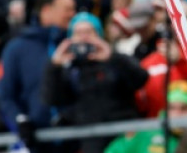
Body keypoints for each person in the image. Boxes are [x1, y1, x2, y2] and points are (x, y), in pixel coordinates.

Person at [44, 12, 148, 153]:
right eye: (78, 33)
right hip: (90, 141)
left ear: (99, 35)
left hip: (123, 138)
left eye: (89, 32)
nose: (83, 37)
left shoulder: (114, 59)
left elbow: (141, 79)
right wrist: (54, 67)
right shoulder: (70, 70)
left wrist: (112, 57)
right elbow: (52, 99)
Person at [0, 0, 76, 152]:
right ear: (46, 11)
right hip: (36, 143)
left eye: (73, 9)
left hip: (77, 141)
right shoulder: (17, 49)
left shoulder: (77, 45)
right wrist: (19, 120)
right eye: (67, 9)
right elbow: (5, 95)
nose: (72, 14)